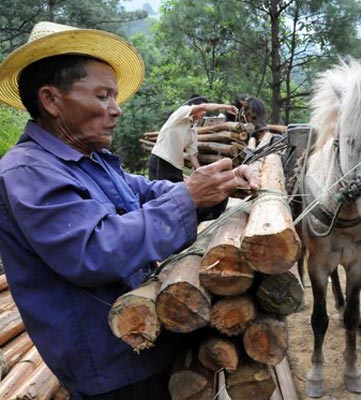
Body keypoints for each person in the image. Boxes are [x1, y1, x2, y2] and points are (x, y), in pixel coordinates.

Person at [0, 21, 257, 400]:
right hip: (111, 367)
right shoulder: (27, 172)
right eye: (103, 96)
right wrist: (187, 196)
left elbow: (146, 190)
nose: (116, 110)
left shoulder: (94, 159)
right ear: (52, 100)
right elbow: (95, 251)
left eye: (115, 97)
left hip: (143, 336)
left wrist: (219, 183)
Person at [148, 94, 238, 182]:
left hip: (176, 165)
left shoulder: (193, 131)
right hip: (161, 158)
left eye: (205, 110)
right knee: (161, 192)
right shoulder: (182, 112)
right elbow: (204, 107)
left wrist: (200, 170)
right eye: (202, 109)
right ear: (193, 106)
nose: (204, 112)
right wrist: (227, 107)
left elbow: (192, 154)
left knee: (176, 192)